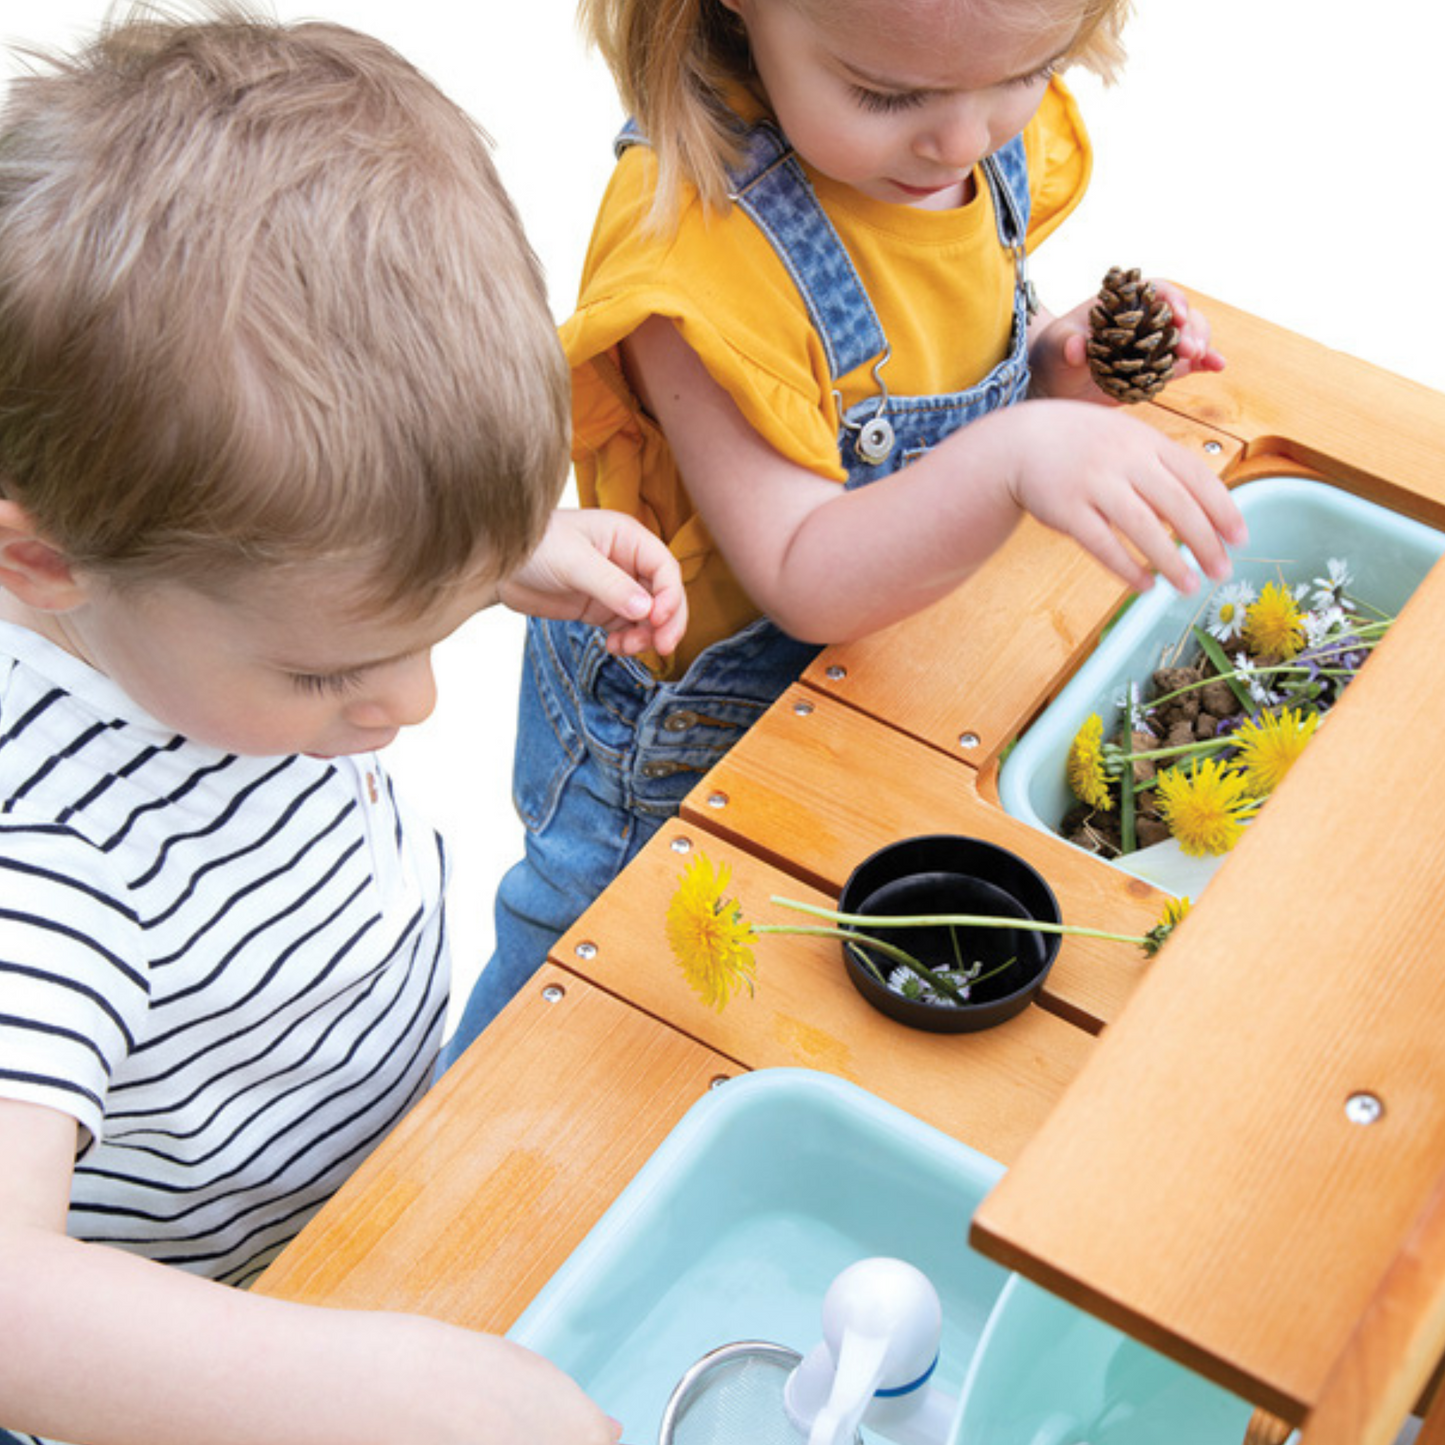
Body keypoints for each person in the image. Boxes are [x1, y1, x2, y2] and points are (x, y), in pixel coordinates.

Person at [0, 6, 686, 1444]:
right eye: (333, 674)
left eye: (423, 633)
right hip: (231, 1332)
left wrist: (478, 554)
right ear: (43, 559)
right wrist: (371, 1390)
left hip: (376, 1165)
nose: (413, 708)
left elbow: (280, 544)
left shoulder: (169, 585)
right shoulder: (41, 854)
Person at [445, 0, 1250, 1057]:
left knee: (786, 1004)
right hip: (680, 745)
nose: (960, 142)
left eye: (1026, 73)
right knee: (581, 1021)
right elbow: (803, 571)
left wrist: (1061, 378)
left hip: (875, 678)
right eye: (885, 94)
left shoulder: (946, 124)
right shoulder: (695, 245)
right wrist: (1014, 460)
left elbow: (943, 378)